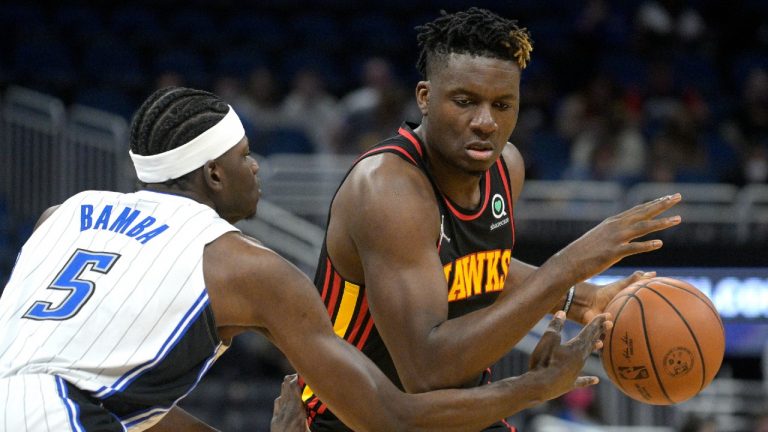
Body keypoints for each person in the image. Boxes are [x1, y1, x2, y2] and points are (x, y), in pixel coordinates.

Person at [0, 86, 612, 432]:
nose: (256, 165)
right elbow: (390, 417)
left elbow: (134, 409)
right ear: (213, 173)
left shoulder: (66, 213)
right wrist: (532, 388)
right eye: (245, 155)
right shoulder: (248, 268)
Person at [301, 7, 682, 431]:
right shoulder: (389, 191)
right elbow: (427, 373)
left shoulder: (506, 166)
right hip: (352, 419)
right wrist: (568, 266)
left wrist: (582, 298)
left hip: (456, 412)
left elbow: (482, 267)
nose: (485, 123)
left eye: (502, 105)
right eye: (465, 101)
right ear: (425, 97)